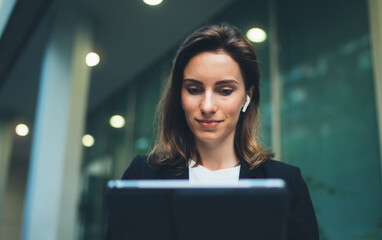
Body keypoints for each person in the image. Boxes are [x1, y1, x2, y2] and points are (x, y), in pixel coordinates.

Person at [109, 23, 319, 240]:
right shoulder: (143, 176)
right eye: (194, 90)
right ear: (179, 96)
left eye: (225, 91)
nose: (207, 106)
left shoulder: (285, 182)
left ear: (246, 97)